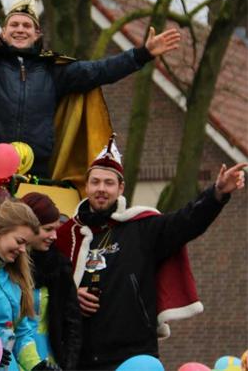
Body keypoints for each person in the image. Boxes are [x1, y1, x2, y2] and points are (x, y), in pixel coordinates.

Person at [0, 0, 181, 177]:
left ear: (37, 34)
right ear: (4, 32)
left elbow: (100, 71)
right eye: (14, 24)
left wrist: (143, 54)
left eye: (27, 25)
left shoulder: (54, 71)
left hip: (40, 171)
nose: (20, 29)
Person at [55, 135, 247, 370]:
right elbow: (43, 288)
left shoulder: (142, 227)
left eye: (109, 183)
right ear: (86, 186)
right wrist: (71, 295)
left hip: (133, 354)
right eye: (95, 182)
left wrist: (217, 194)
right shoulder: (66, 234)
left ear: (121, 188)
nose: (101, 189)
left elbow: (187, 222)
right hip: (80, 356)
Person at [0, 199, 50, 371]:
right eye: (20, 241)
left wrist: (36, 366)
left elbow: (21, 332)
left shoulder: (15, 275)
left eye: (26, 245)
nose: (23, 250)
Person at [21, 192, 82, 369]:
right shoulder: (5, 264)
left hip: (49, 358)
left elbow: (72, 323)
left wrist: (68, 365)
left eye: (56, 229)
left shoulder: (59, 266)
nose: (55, 236)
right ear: (27, 227)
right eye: (48, 229)